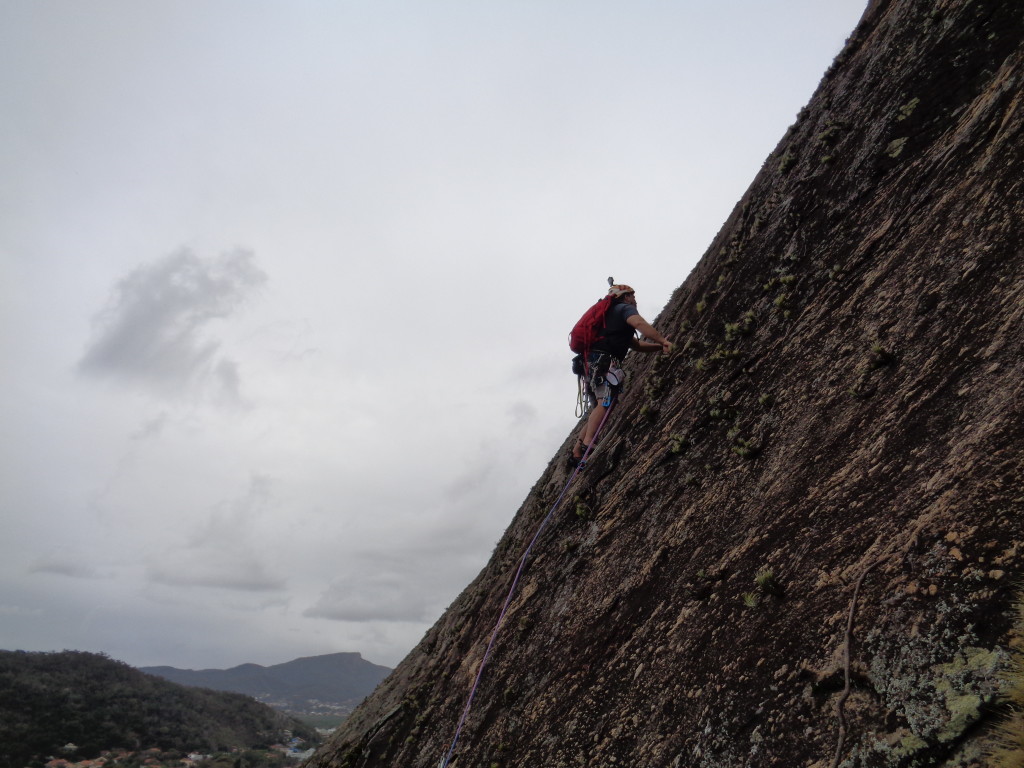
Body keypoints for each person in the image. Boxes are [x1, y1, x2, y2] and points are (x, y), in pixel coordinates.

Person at [571, 284, 672, 465]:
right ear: (625, 297)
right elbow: (639, 324)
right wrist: (663, 339)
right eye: (632, 296)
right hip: (604, 361)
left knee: (599, 407)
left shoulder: (609, 318)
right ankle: (589, 443)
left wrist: (658, 347)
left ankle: (577, 450)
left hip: (591, 362)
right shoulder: (624, 309)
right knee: (606, 402)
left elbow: (636, 345)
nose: (635, 300)